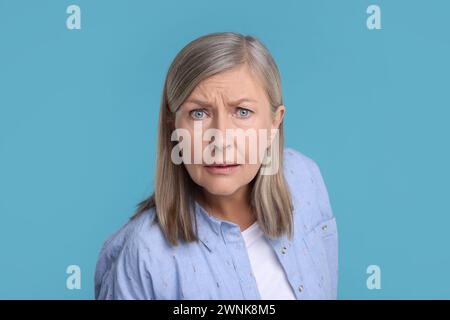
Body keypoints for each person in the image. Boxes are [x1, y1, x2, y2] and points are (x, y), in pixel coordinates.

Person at [94, 32, 338, 300]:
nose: (220, 140)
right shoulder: (143, 255)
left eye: (242, 112)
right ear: (173, 125)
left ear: (273, 123)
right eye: (199, 113)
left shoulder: (305, 178)